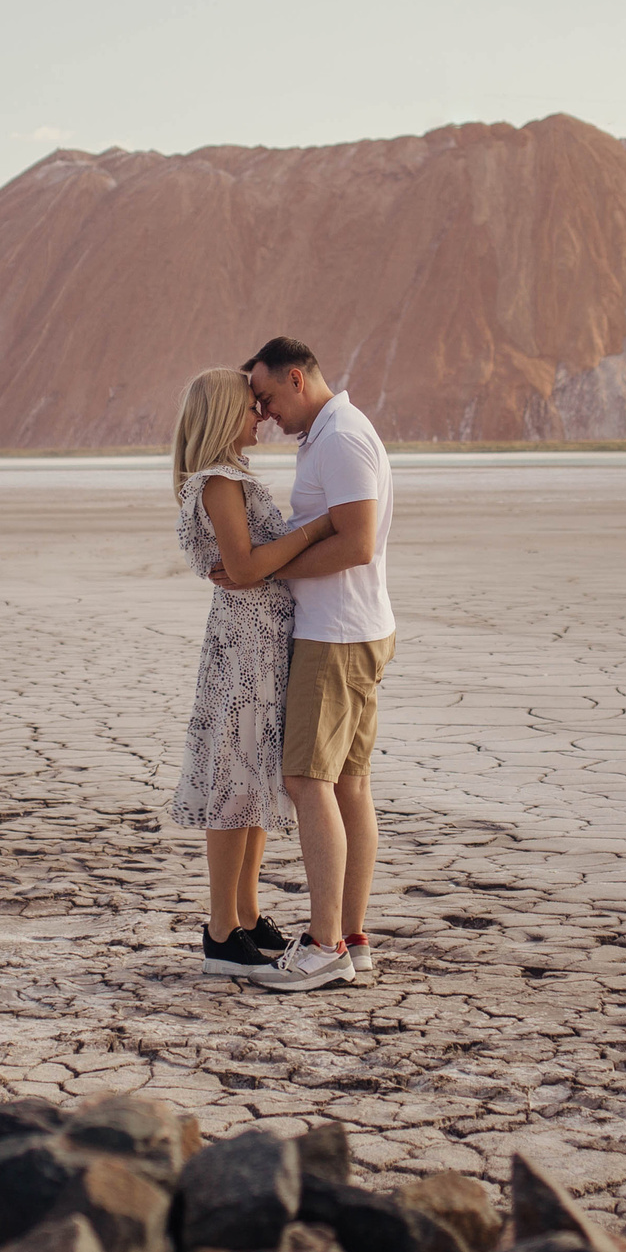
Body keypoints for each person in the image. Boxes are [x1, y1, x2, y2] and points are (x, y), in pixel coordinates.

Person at [215, 337, 395, 994]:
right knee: (347, 784)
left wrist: (273, 567)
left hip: (337, 635)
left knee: (306, 778)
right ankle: (351, 938)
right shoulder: (329, 435)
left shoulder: (342, 436)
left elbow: (357, 542)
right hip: (352, 629)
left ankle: (324, 946)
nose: (263, 411)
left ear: (297, 378)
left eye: (265, 395)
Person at [169, 366, 339, 977]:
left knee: (256, 783)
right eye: (249, 406)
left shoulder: (233, 479)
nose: (260, 414)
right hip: (245, 649)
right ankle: (221, 930)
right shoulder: (218, 482)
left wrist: (267, 560)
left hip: (262, 643)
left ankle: (245, 915)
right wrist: (319, 527)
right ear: (220, 416)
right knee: (234, 784)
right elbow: (243, 567)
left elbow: (251, 565)